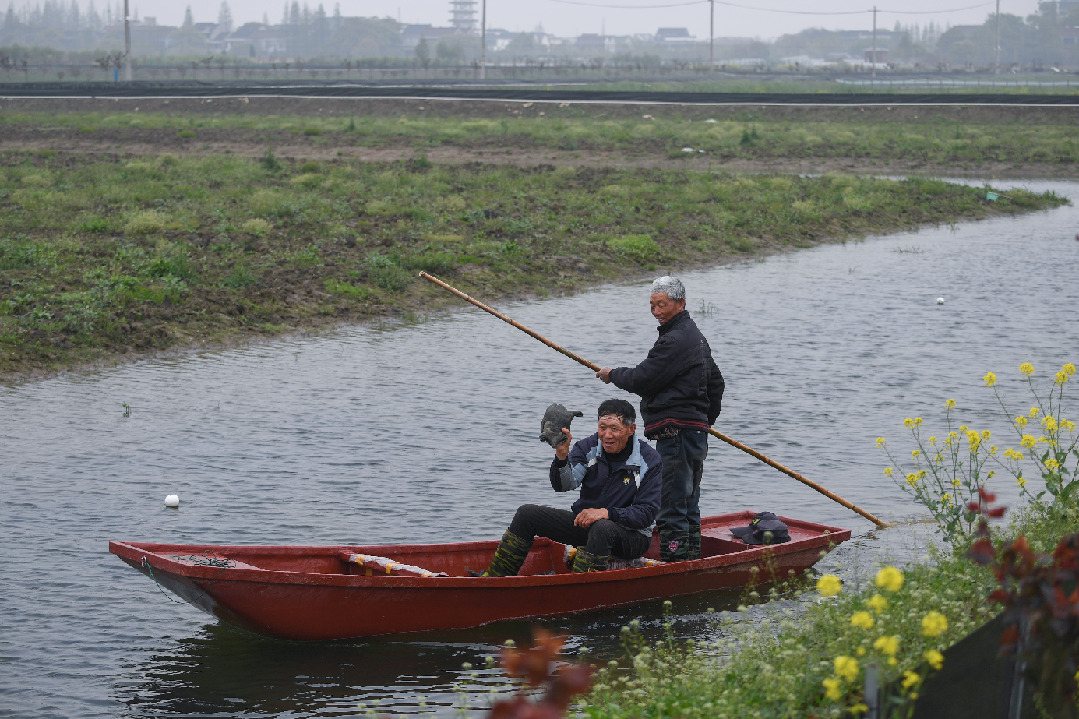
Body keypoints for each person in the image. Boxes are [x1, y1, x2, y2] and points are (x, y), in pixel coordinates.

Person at [596, 276, 724, 562]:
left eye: (661, 305)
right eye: (652, 305)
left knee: (671, 503)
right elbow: (716, 384)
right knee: (688, 501)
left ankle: (674, 564)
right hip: (693, 433)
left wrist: (612, 374)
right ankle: (691, 560)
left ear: (680, 303)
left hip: (675, 433)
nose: (655, 311)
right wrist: (704, 422)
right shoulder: (696, 337)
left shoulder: (676, 340)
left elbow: (644, 378)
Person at [479, 399, 662, 576]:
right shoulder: (587, 447)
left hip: (632, 537)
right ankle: (494, 577)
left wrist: (607, 513)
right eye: (602, 428)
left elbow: (646, 513)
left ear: (631, 430)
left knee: (602, 527)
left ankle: (580, 591)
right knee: (526, 514)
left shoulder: (649, 460)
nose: (607, 435)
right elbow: (565, 485)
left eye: (615, 429)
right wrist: (561, 456)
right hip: (588, 525)